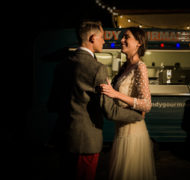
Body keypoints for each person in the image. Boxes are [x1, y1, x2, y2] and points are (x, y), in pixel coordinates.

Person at [47, 20, 143, 180]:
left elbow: (52, 104)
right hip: (86, 142)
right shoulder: (96, 68)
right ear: (92, 38)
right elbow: (110, 111)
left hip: (64, 139)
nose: (104, 41)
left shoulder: (62, 65)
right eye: (102, 37)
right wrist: (137, 114)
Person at [100, 27, 156, 180]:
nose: (122, 40)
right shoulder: (126, 67)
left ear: (138, 43)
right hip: (121, 130)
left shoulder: (140, 67)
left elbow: (146, 105)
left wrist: (116, 94)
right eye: (122, 37)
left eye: (126, 37)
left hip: (133, 132)